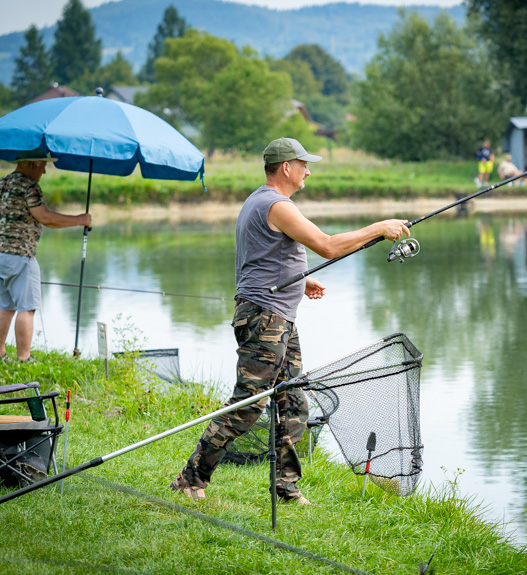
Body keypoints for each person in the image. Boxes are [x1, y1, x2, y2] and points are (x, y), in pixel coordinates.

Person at [171, 137, 410, 505]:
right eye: (303, 164)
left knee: (294, 403)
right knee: (249, 405)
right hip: (264, 319)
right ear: (286, 167)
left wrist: (301, 278)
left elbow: (262, 256)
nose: (308, 171)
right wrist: (379, 227)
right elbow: (327, 246)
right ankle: (191, 478)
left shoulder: (258, 200)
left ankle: (286, 486)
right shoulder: (276, 204)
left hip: (278, 316)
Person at [0, 150, 92, 363]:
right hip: (20, 256)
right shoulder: (29, 187)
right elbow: (45, 217)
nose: (44, 171)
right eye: (42, 165)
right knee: (26, 308)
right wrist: (80, 219)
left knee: (5, 306)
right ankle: (24, 358)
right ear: (31, 164)